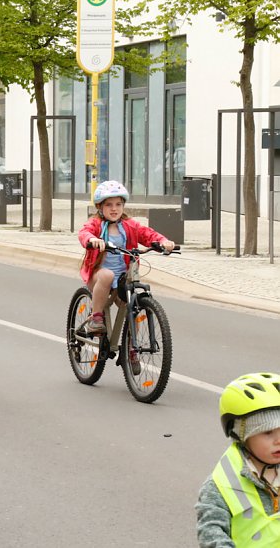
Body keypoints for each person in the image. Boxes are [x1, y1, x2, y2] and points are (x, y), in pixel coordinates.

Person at [77, 180, 175, 370]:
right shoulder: (96, 224)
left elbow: (147, 234)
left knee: (133, 306)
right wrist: (92, 240)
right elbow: (84, 232)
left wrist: (163, 241)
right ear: (100, 207)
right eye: (109, 205)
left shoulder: (129, 225)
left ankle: (131, 349)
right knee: (106, 276)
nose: (114, 209)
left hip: (123, 277)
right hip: (99, 274)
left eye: (118, 204)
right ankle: (96, 318)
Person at [196, 372, 280, 546]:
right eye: (267, 432)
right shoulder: (222, 484)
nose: (278, 440)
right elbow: (211, 532)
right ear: (242, 435)